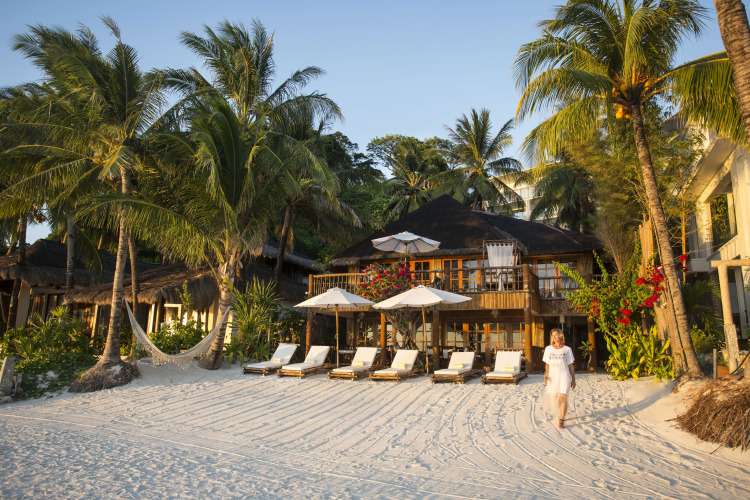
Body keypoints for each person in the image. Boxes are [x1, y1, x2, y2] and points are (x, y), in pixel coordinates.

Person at [543, 328, 576, 429]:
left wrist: (573, 379)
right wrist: (546, 375)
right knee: (556, 398)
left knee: (563, 398)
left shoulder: (567, 349)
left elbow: (570, 365)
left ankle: (561, 420)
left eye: (556, 335)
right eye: (553, 335)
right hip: (553, 377)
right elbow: (547, 364)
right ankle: (561, 413)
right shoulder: (548, 349)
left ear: (561, 336)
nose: (554, 337)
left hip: (564, 376)